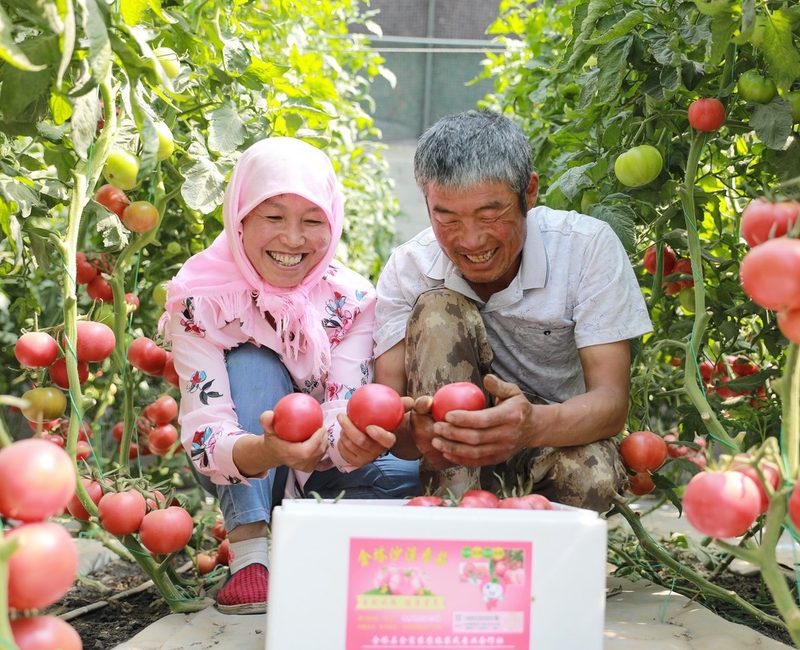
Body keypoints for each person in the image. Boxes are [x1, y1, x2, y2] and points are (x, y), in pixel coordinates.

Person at [161, 137, 421, 615]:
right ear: (239, 217)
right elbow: (204, 427)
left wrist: (349, 443)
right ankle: (249, 554)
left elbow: (344, 401)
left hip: (326, 463)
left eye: (313, 220)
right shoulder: (200, 298)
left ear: (333, 222)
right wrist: (268, 449)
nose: (294, 239)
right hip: (243, 463)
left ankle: (316, 531)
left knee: (419, 474)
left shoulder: (350, 301)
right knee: (251, 362)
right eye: (273, 217)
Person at [373, 109, 652, 514]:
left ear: (530, 192)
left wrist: (530, 426)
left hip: (553, 437)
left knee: (595, 478)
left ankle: (538, 555)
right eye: (445, 217)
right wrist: (418, 433)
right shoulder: (409, 268)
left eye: (491, 214)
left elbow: (610, 402)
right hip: (453, 459)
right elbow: (393, 419)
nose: (470, 240)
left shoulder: (586, 248)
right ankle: (453, 514)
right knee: (436, 308)